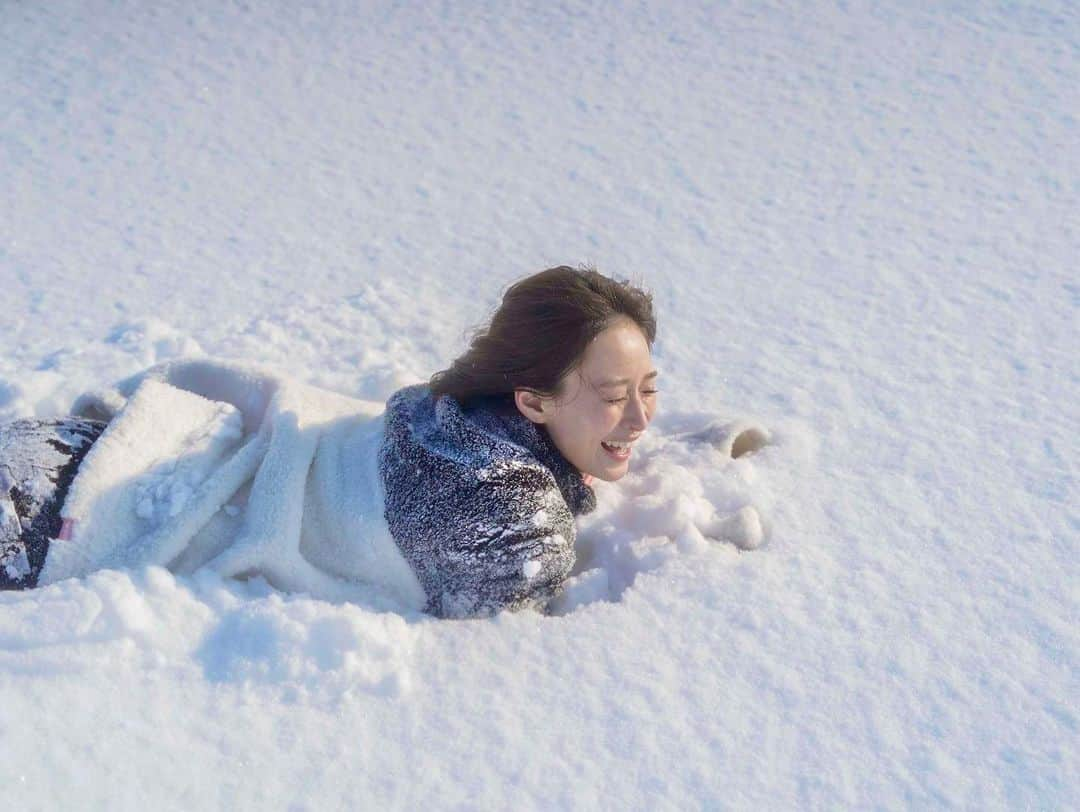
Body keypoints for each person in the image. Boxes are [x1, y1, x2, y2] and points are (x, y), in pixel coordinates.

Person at [0, 266, 659, 618]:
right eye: (612, 397)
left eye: (649, 388)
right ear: (532, 401)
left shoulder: (455, 411)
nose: (639, 419)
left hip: (110, 449)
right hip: (72, 519)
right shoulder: (518, 525)